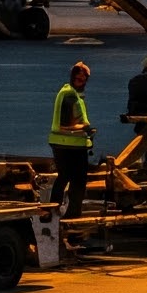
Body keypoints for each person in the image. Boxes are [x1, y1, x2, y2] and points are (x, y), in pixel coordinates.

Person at [49, 60, 94, 217]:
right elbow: (64, 126)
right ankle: (72, 213)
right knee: (77, 180)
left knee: (64, 176)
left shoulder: (70, 93)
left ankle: (53, 209)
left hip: (63, 143)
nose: (82, 81)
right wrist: (84, 128)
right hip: (70, 145)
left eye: (84, 79)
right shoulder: (70, 96)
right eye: (79, 78)